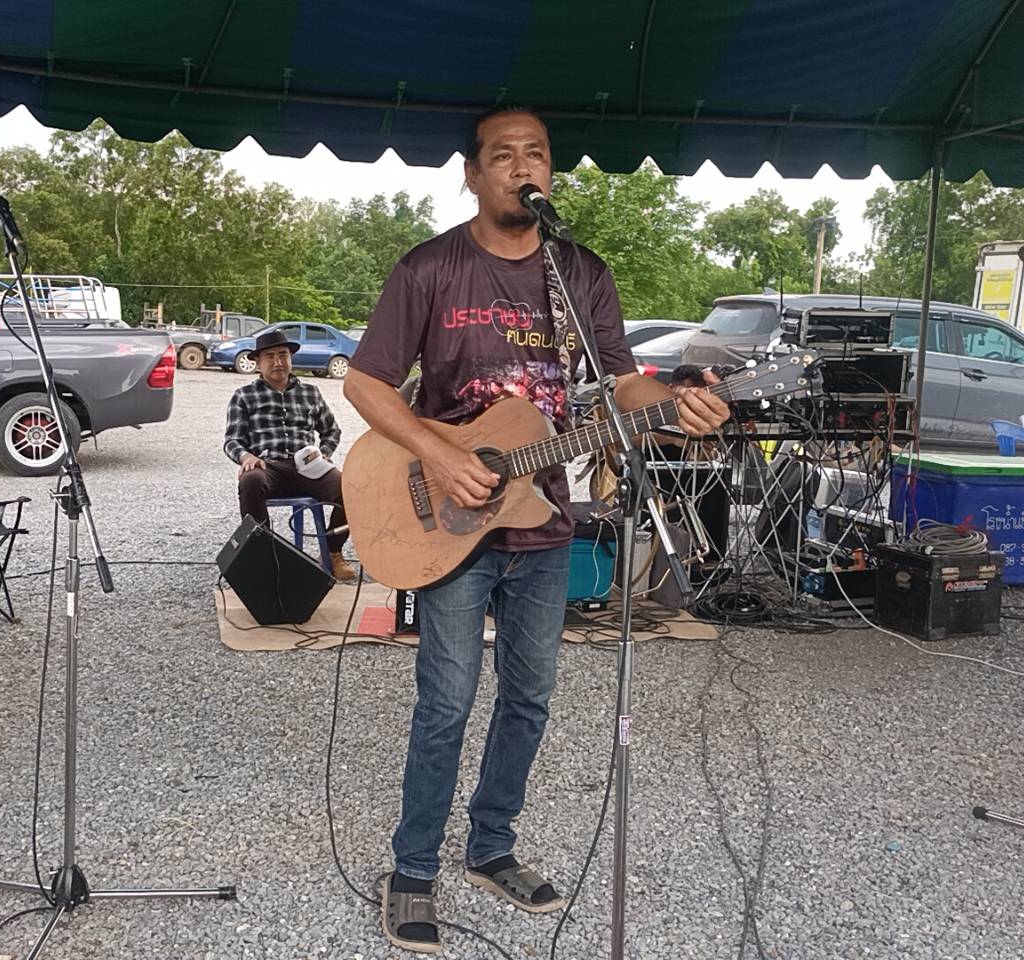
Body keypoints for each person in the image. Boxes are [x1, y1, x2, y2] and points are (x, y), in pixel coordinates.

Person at [343, 106, 731, 953]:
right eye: (503, 155)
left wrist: (674, 404)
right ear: (473, 174)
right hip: (448, 519)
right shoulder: (430, 268)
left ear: (551, 173)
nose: (523, 167)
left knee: (530, 696)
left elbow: (619, 386)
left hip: (543, 517)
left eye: (538, 154)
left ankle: (491, 848)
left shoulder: (579, 272)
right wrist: (441, 455)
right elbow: (366, 384)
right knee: (446, 702)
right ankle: (413, 869)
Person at [223, 327, 356, 580]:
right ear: (258, 362)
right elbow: (232, 440)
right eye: (270, 356)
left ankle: (333, 552)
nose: (278, 362)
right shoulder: (244, 396)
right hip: (268, 466)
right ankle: (263, 556)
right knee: (250, 481)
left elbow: (331, 430)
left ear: (290, 358)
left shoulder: (310, 393)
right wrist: (246, 457)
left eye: (283, 355)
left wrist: (324, 453)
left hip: (307, 466)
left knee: (349, 488)